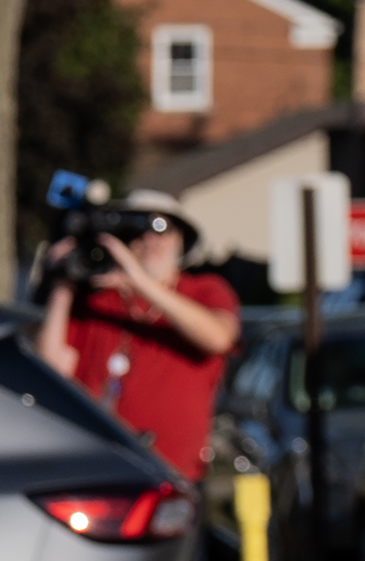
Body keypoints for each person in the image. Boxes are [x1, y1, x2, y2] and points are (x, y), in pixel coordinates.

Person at [31, 191, 241, 479]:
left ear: (180, 239)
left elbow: (219, 338)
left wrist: (139, 281)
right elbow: (51, 369)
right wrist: (63, 283)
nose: (150, 240)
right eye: (138, 231)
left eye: (161, 229)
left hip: (174, 474)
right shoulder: (99, 299)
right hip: (96, 466)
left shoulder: (204, 289)